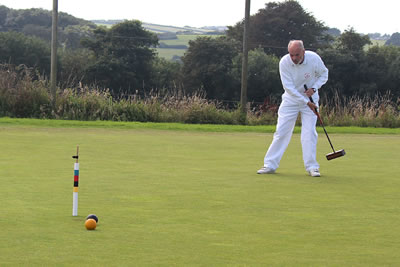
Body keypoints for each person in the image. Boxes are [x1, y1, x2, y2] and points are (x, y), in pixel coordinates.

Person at [257, 40, 328, 177]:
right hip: (291, 100)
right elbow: (288, 88)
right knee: (281, 131)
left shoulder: (314, 58)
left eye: (297, 55)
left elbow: (324, 74)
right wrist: (305, 101)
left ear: (303, 51)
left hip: (311, 99)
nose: (294, 58)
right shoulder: (284, 62)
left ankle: (312, 167)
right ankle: (270, 165)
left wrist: (314, 88)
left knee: (309, 133)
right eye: (291, 55)